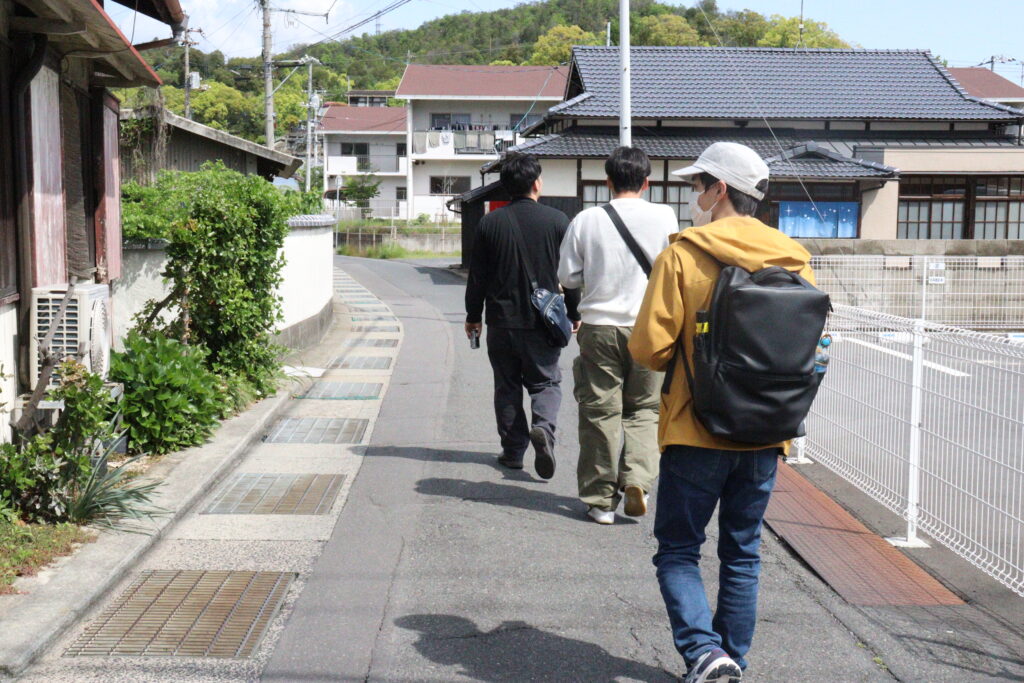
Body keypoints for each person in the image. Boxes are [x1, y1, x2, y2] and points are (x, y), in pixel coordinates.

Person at [628, 142, 816, 682]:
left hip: (696, 428)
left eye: (697, 185)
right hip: (767, 430)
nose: (694, 195)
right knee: (742, 552)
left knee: (678, 550)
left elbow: (648, 349)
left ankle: (706, 654)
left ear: (720, 190)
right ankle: (730, 658)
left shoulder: (683, 255)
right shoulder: (795, 257)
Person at [558, 147, 678, 525]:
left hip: (599, 327)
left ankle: (600, 502)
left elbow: (567, 277)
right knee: (645, 409)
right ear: (647, 182)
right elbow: (673, 267)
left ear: (608, 181)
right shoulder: (665, 215)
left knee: (600, 413)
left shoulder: (586, 219)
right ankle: (638, 480)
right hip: (649, 327)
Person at [465, 152, 581, 479]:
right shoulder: (557, 221)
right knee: (545, 382)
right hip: (542, 322)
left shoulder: (490, 223)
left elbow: (477, 277)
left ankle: (514, 451)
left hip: (501, 321)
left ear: (505, 186)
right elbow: (570, 274)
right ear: (537, 183)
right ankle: (542, 427)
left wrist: (473, 315)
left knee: (507, 386)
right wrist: (574, 311)